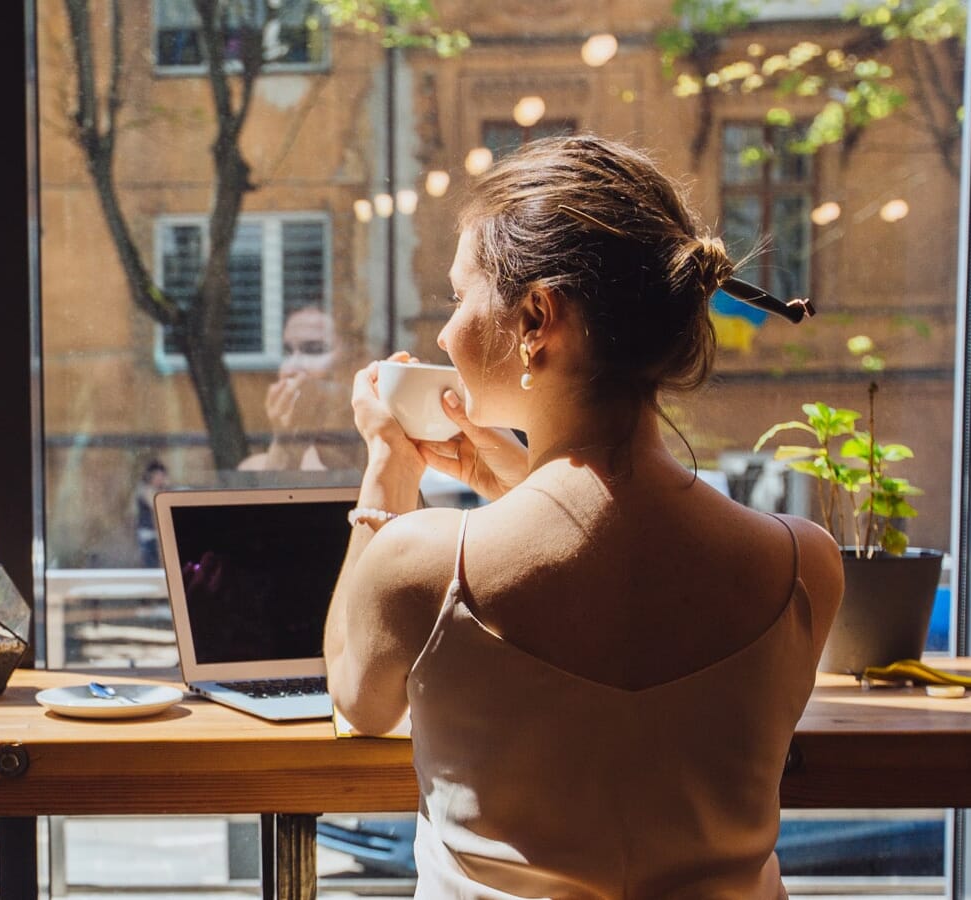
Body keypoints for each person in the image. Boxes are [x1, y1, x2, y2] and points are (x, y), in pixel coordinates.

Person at [322, 135, 844, 898]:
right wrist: (521, 483)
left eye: (459, 296)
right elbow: (620, 574)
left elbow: (355, 698)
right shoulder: (804, 568)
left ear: (537, 317)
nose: (444, 331)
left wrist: (385, 472)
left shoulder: (426, 564)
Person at [238, 304, 364, 473]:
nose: (290, 368)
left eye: (314, 350)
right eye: (288, 351)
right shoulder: (254, 469)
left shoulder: (386, 451)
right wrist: (286, 445)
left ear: (355, 361)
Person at [134, 459, 170, 567]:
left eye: (162, 476)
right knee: (151, 565)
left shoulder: (161, 490)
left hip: (158, 535)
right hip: (149, 534)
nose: (160, 479)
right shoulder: (146, 490)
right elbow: (155, 506)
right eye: (157, 476)